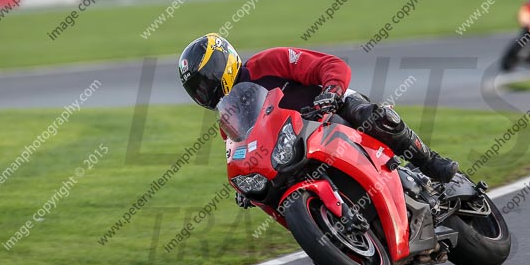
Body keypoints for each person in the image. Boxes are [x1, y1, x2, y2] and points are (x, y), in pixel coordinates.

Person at [178, 33, 459, 208]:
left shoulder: (268, 61)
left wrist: (331, 93)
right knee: (270, 194)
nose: (205, 92)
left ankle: (429, 161)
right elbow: (237, 153)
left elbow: (330, 66)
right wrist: (245, 188)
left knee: (372, 116)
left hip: (330, 112)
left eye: (206, 82)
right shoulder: (227, 119)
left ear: (221, 65)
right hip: (293, 149)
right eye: (198, 90)